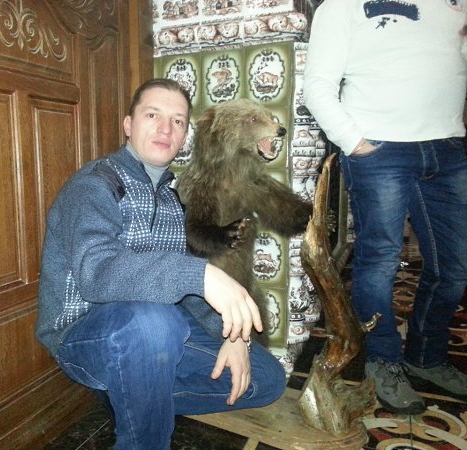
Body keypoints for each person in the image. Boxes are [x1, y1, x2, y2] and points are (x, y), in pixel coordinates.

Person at [35, 78, 286, 449]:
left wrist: (233, 337)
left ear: (184, 136)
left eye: (178, 121)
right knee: (154, 321)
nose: (166, 128)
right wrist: (201, 274)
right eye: (153, 115)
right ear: (128, 125)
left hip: (159, 328)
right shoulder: (93, 185)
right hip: (83, 333)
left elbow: (188, 296)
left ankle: (131, 389)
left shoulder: (171, 200)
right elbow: (96, 273)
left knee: (265, 380)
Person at [304, 0, 467, 415]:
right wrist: (356, 144)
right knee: (379, 262)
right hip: (380, 150)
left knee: (455, 266)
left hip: (448, 147)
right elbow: (317, 86)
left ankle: (426, 357)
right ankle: (382, 360)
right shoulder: (340, 6)